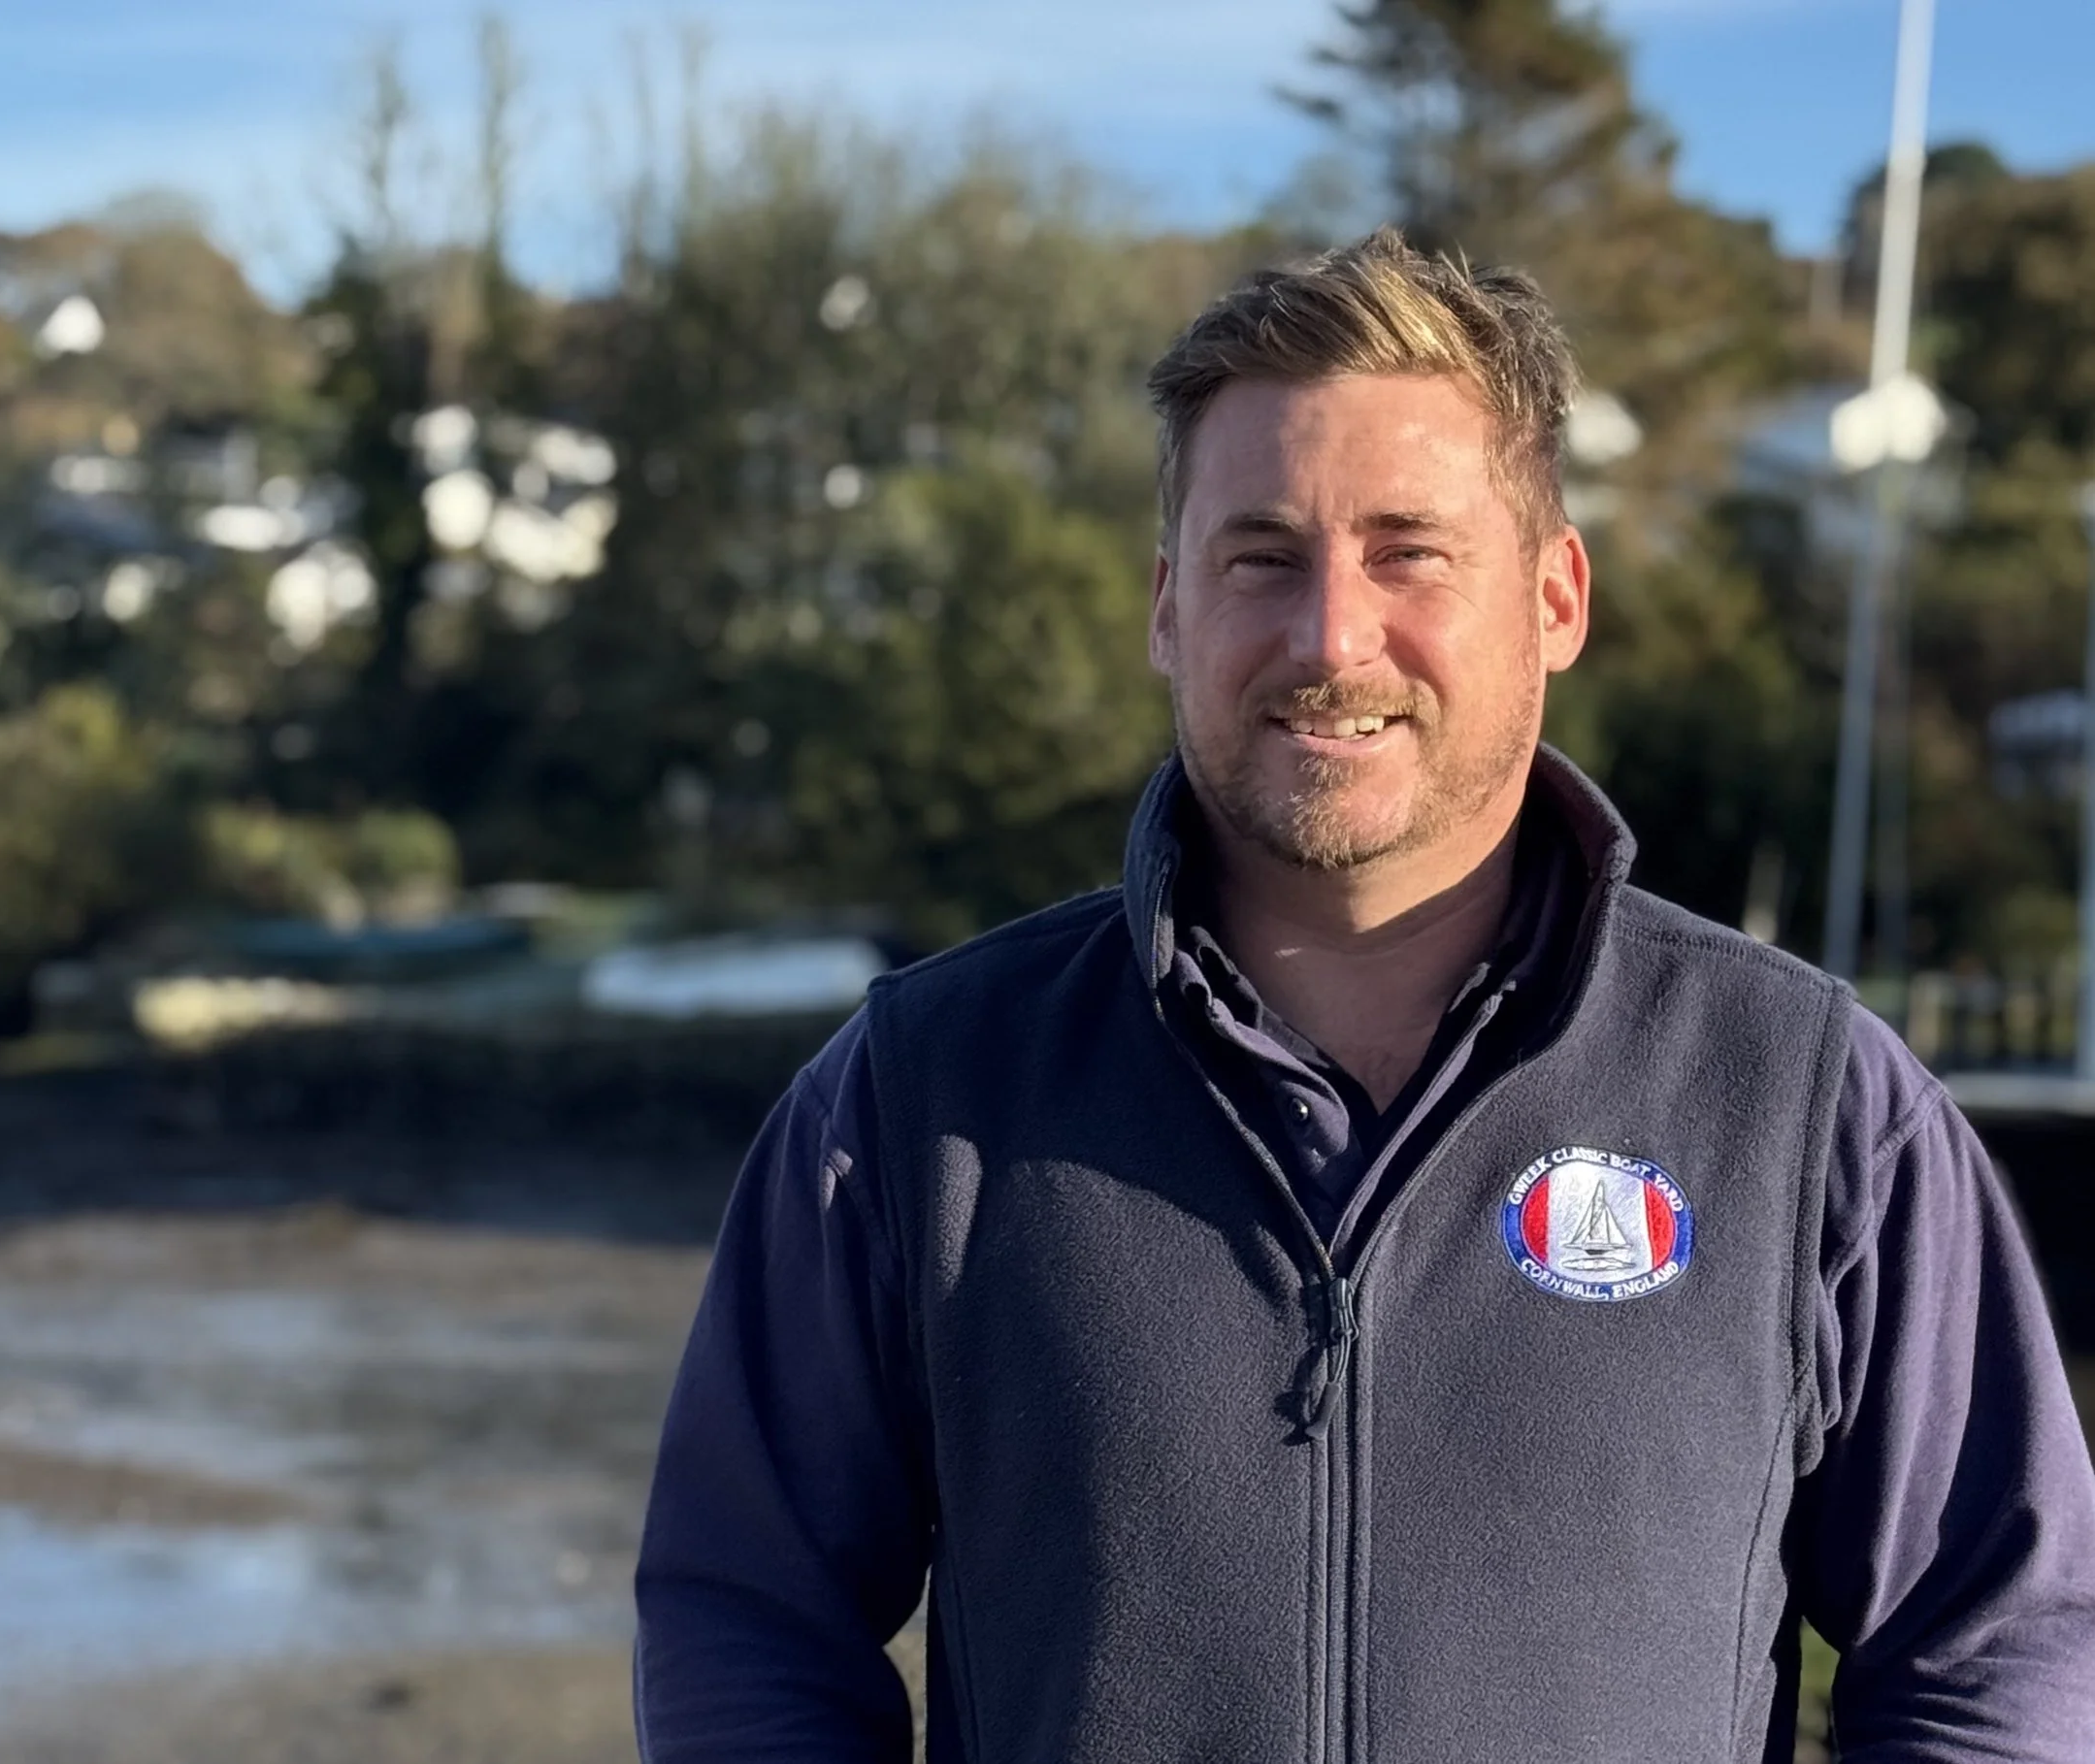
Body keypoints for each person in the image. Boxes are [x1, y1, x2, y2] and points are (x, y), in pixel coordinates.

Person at [632, 230, 2095, 1762]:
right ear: (1164, 610)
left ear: (1555, 599)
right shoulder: (918, 1097)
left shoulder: (1809, 1107)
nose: (1331, 636)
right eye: (1260, 556)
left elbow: (1999, 1638)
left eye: (1411, 550)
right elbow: (751, 1612)